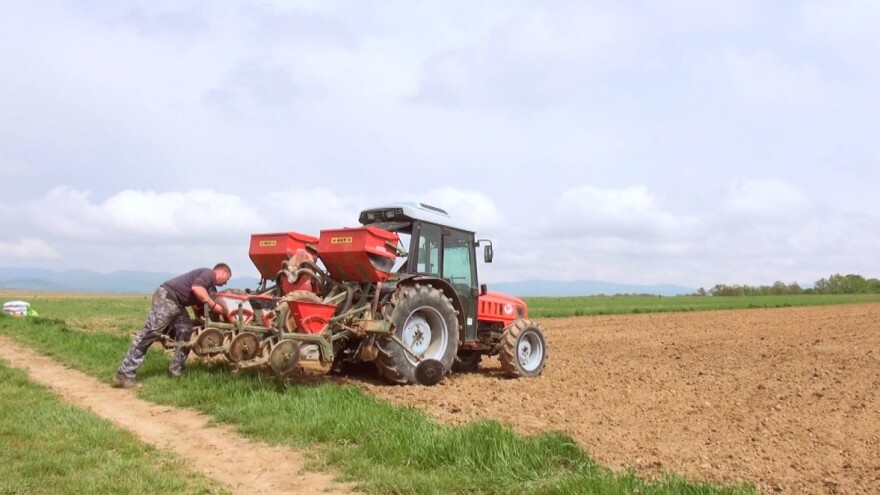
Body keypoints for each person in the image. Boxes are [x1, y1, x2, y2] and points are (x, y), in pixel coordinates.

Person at [114, 263, 232, 389]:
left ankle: (176, 370)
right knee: (150, 333)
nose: (226, 283)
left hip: (177, 305)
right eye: (228, 279)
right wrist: (213, 305)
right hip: (167, 298)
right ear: (223, 273)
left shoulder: (210, 286)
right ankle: (125, 373)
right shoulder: (209, 274)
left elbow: (202, 301)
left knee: (186, 331)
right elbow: (197, 289)